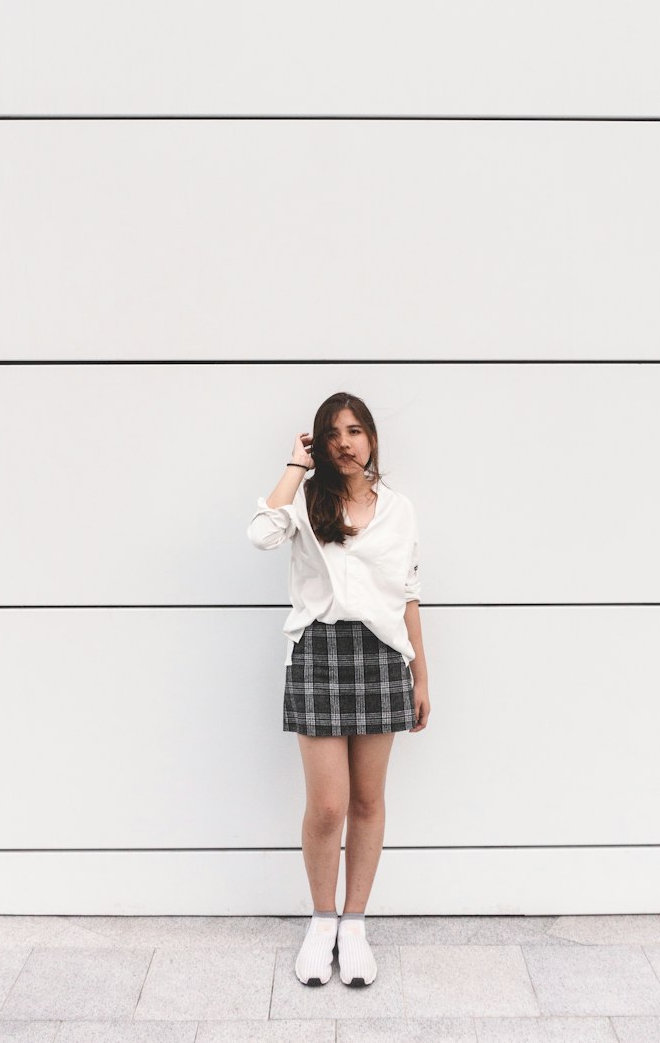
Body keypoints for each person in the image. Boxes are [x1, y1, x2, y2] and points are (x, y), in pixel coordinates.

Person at [246, 391, 431, 988]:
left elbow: (406, 592)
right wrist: (295, 467)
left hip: (381, 656)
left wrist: (421, 674)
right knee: (327, 806)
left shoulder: (399, 510)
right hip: (319, 653)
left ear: (372, 438)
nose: (345, 443)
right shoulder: (305, 500)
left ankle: (355, 926)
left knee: (367, 802)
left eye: (355, 431)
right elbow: (260, 533)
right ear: (319, 445)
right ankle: (321, 920)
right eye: (333, 434)